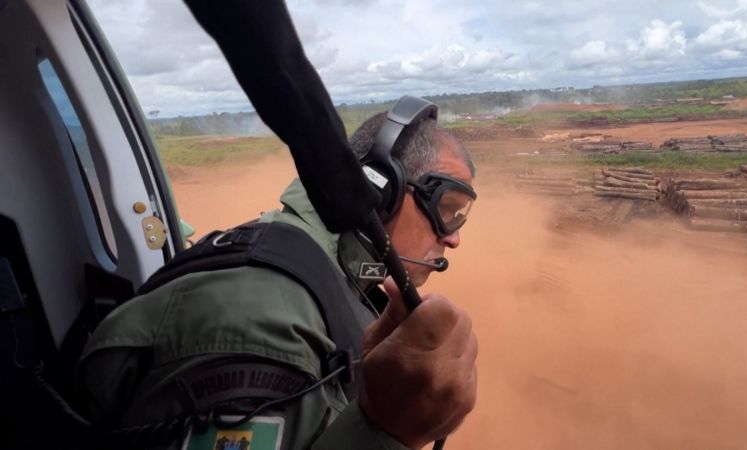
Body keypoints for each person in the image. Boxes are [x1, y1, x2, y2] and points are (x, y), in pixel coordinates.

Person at [79, 97, 478, 450]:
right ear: (380, 189)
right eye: (447, 208)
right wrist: (385, 432)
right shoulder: (259, 328)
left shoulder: (326, 271)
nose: (454, 237)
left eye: (462, 216)